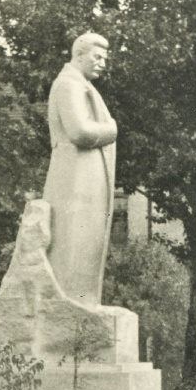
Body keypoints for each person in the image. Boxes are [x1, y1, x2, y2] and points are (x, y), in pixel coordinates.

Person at [41, 33, 118, 306]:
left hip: (85, 174)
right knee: (74, 239)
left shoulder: (81, 85)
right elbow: (79, 131)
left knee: (86, 240)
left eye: (105, 59)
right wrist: (112, 130)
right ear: (79, 55)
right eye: (97, 57)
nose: (102, 64)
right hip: (74, 175)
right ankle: (72, 302)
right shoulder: (68, 85)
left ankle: (81, 302)